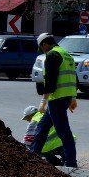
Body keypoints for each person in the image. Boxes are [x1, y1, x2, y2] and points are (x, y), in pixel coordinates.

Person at [31, 33, 78, 168]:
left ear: (44, 44)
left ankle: (70, 163)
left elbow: (50, 80)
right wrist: (73, 97)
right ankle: (33, 155)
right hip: (65, 97)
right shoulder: (66, 54)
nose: (42, 50)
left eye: (41, 48)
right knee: (43, 127)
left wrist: (43, 100)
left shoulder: (52, 55)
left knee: (63, 131)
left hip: (56, 98)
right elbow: (73, 77)